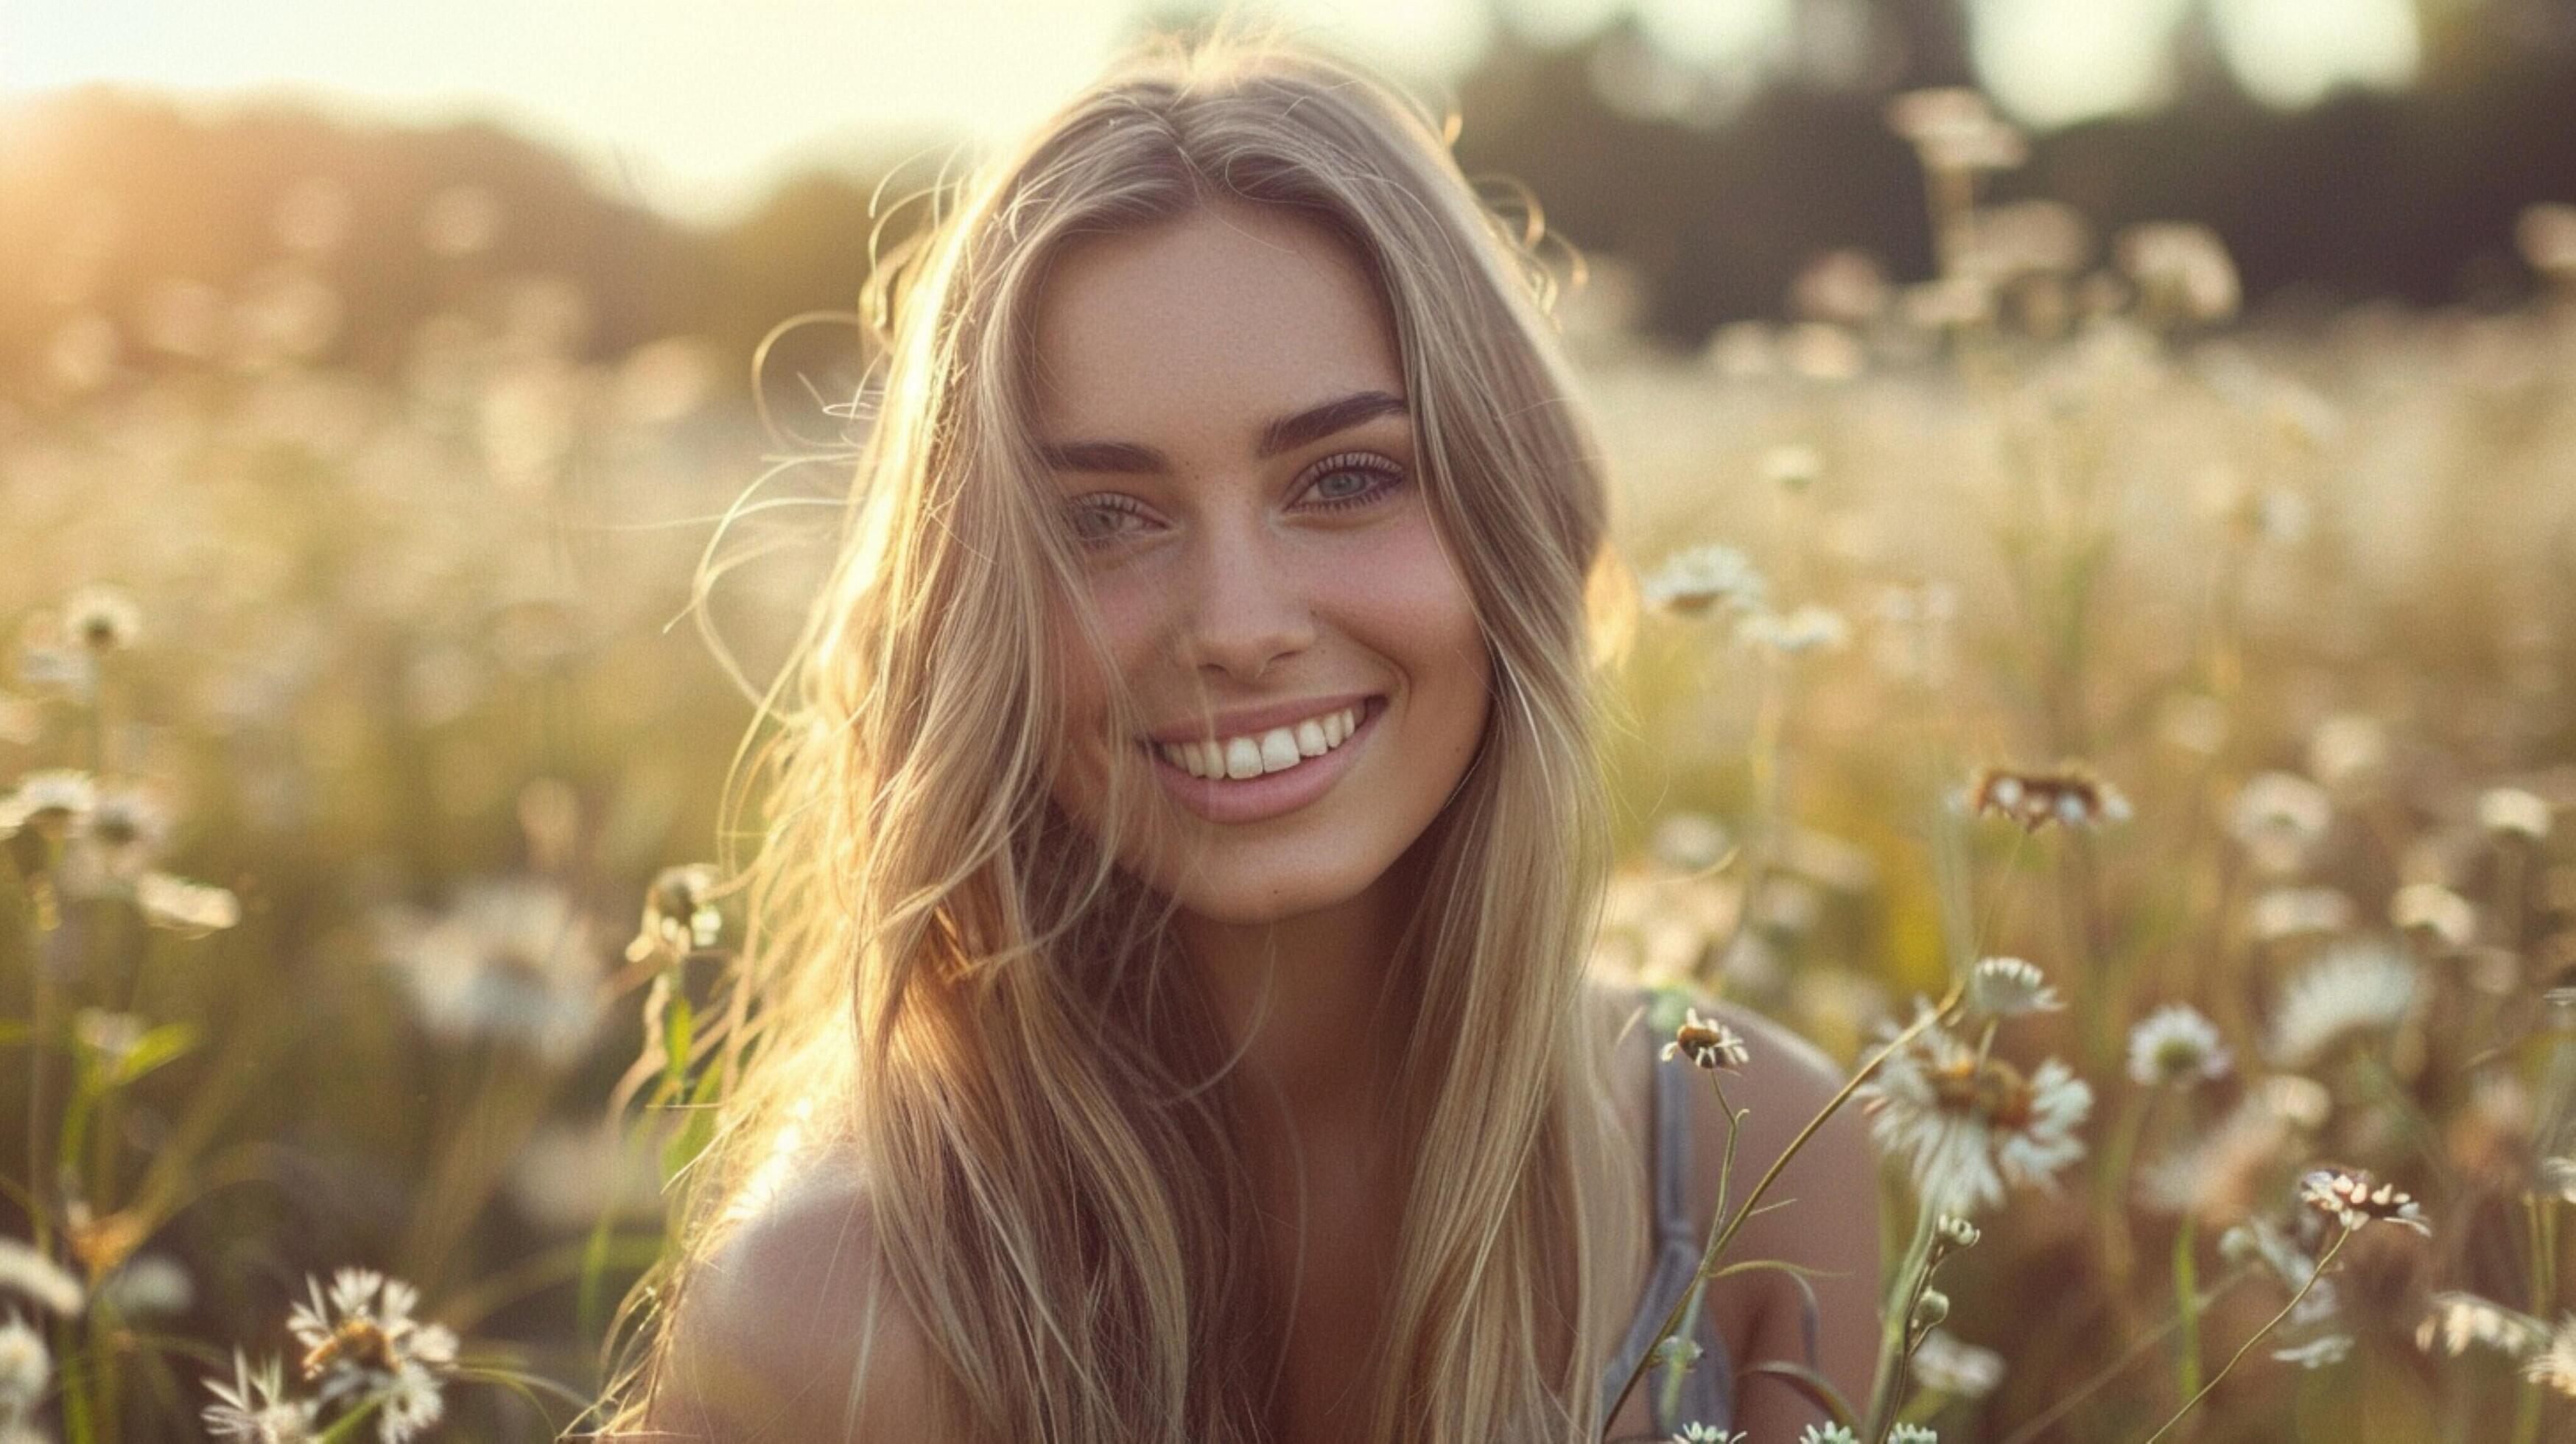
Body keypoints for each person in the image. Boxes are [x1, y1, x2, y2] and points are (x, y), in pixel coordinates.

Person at [594, 19, 1878, 1444]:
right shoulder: (821, 1314)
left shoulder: (1758, 1160)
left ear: (1519, 520)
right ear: (970, 617)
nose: (1234, 624)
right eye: (1102, 517)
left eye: (1344, 478)